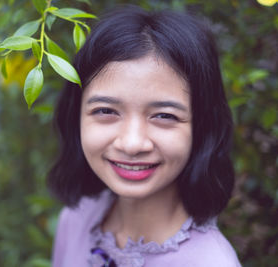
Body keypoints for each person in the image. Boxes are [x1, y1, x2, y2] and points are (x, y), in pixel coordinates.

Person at [48, 5, 242, 267]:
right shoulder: (76, 219)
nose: (132, 143)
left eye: (164, 116)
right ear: (76, 117)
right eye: (106, 111)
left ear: (202, 126)